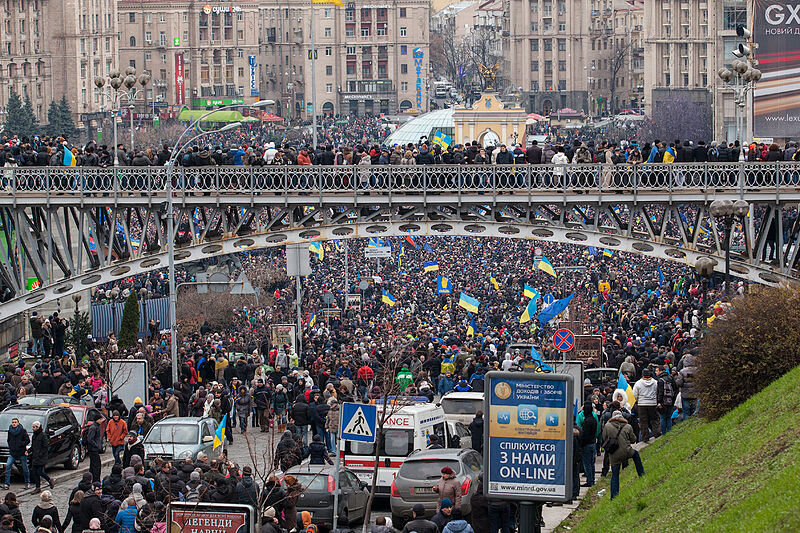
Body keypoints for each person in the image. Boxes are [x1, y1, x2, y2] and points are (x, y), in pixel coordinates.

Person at [603, 410, 645, 499]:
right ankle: (641, 474)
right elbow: (633, 439)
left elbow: (604, 438)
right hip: (627, 451)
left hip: (614, 453)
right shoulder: (628, 426)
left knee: (615, 474)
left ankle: (614, 496)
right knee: (636, 455)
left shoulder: (607, 426)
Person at [633, 368, 660, 441]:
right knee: (654, 419)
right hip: (653, 403)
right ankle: (657, 433)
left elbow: (635, 394)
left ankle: (645, 437)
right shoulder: (655, 382)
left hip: (642, 404)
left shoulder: (638, 383)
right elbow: (658, 391)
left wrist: (638, 400)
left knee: (643, 421)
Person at [576, 401, 599, 487]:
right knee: (591, 463)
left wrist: (581, 444)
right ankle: (592, 479)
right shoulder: (593, 419)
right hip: (593, 443)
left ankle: (589, 480)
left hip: (587, 444)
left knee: (587, 464)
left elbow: (584, 435)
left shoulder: (587, 421)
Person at [3, 417, 30, 489]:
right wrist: (11, 446)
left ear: (18, 423)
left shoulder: (22, 431)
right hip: (12, 452)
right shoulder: (10, 431)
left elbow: (27, 440)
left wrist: (21, 444)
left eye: (15, 422)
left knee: (25, 468)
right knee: (8, 466)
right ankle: (7, 484)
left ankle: (27, 482)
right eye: (13, 422)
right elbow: (9, 440)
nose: (14, 423)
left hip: (21, 452)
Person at [29, 421, 54, 493]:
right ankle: (38, 487)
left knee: (39, 471)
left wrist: (40, 454)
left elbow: (45, 447)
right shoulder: (34, 436)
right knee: (34, 472)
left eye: (34, 427)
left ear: (37, 427)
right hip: (35, 457)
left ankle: (49, 479)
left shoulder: (43, 435)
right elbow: (33, 446)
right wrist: (29, 451)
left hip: (41, 457)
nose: (33, 429)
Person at [83, 418, 103, 483]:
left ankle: (93, 479)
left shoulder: (96, 427)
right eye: (100, 419)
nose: (101, 420)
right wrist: (96, 445)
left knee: (93, 465)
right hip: (93, 449)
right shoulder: (93, 427)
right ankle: (95, 479)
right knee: (96, 465)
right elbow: (90, 439)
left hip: (94, 449)